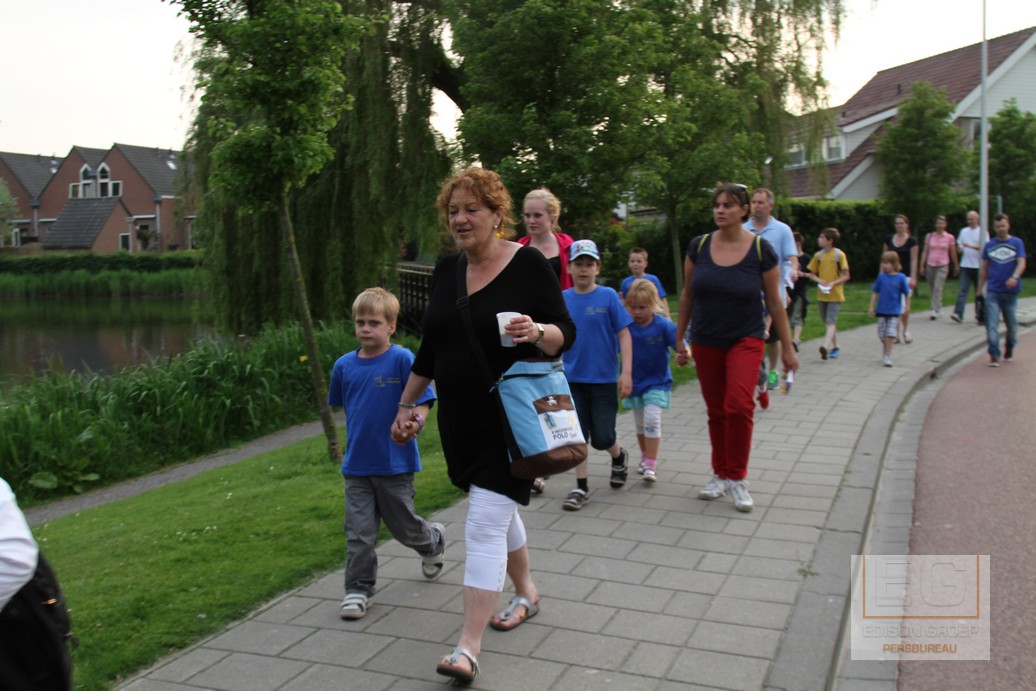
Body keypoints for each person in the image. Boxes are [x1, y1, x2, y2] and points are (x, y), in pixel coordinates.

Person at [393, 167, 576, 683]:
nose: (460, 219)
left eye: (472, 209)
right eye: (453, 210)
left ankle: (467, 647)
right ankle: (528, 592)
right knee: (497, 508)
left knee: (484, 522)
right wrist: (407, 405)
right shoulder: (447, 270)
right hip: (462, 421)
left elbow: (567, 331)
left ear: (498, 214)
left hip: (513, 421)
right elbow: (432, 348)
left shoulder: (528, 264)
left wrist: (537, 331)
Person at [674, 183, 798, 513]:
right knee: (716, 409)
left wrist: (788, 349)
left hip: (746, 337)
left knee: (739, 405)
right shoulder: (699, 246)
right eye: (717, 204)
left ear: (744, 210)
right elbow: (687, 295)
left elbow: (775, 302)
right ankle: (720, 474)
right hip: (706, 338)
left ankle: (737, 477)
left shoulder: (760, 250)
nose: (720, 210)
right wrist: (679, 338)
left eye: (728, 205)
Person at [328, 287, 442, 621]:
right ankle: (358, 590)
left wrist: (415, 422)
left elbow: (425, 399)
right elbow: (346, 406)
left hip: (395, 463)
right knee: (359, 534)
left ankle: (432, 541)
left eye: (374, 323)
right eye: (360, 322)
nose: (365, 328)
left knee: (404, 529)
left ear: (391, 326)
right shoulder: (343, 366)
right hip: (357, 466)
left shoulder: (402, 359)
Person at [560, 239, 633, 510]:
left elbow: (624, 334)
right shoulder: (562, 299)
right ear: (569, 268)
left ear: (597, 268)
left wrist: (626, 372)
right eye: (578, 263)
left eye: (589, 264)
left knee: (602, 438)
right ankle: (581, 486)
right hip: (572, 380)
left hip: (603, 380)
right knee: (577, 435)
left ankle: (618, 456)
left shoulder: (608, 296)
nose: (583, 269)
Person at [622, 278, 677, 482]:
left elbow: (679, 343)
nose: (637, 312)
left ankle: (651, 464)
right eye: (633, 307)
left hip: (657, 382)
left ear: (653, 305)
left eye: (642, 307)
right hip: (635, 382)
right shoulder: (626, 327)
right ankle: (645, 456)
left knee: (652, 419)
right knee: (639, 424)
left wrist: (684, 352)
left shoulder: (663, 325)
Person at [744, 188, 798, 390]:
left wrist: (794, 269)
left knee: (773, 339)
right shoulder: (743, 229)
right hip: (749, 294)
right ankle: (758, 373)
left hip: (774, 294)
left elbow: (791, 256)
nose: (756, 206)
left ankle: (773, 370)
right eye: (754, 202)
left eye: (760, 202)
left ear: (770, 206)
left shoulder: (782, 230)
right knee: (751, 337)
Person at [978, 213, 1026, 367]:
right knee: (991, 324)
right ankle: (994, 354)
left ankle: (1009, 347)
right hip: (993, 290)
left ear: (1008, 225)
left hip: (1010, 292)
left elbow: (1021, 263)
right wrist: (979, 290)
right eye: (998, 227)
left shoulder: (1017, 243)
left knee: (1012, 326)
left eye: (1003, 226)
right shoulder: (989, 246)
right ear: (994, 228)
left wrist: (1014, 277)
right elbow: (984, 269)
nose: (1001, 229)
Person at [518, 188, 574, 290]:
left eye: (537, 215)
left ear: (552, 216)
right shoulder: (518, 249)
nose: (531, 220)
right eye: (527, 215)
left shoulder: (568, 247)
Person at [807, 228, 850, 360]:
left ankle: (825, 346)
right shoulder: (818, 256)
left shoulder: (839, 255)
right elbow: (812, 274)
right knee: (828, 322)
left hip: (835, 295)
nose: (819, 239)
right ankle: (836, 346)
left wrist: (833, 283)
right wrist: (820, 281)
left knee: (830, 321)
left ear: (830, 240)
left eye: (822, 237)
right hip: (822, 295)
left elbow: (846, 275)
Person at [868, 251, 912, 367]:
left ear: (894, 264)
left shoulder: (901, 278)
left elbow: (906, 293)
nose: (884, 265)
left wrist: (907, 307)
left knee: (891, 334)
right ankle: (886, 348)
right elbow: (875, 292)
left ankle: (887, 355)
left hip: (894, 312)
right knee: (882, 335)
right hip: (881, 311)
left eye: (887, 263)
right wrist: (871, 307)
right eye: (883, 262)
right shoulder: (881, 277)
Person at [883, 215, 918, 343]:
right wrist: (881, 275)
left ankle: (906, 330)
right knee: (894, 305)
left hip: (905, 276)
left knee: (904, 306)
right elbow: (884, 259)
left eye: (902, 223)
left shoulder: (912, 241)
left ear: (906, 225)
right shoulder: (888, 239)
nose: (899, 225)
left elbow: (914, 260)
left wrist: (914, 277)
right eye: (897, 223)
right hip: (891, 276)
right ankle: (895, 333)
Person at [919, 215, 959, 320]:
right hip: (930, 264)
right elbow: (925, 251)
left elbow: (953, 252)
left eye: (942, 223)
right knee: (932, 288)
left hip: (943, 265)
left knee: (938, 287)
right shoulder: (930, 236)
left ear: (945, 224)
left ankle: (934, 310)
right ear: (935, 224)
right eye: (938, 223)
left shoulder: (949, 237)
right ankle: (938, 307)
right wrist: (922, 265)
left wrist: (956, 265)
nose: (940, 225)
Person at [953, 210, 983, 324]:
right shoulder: (964, 231)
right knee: (962, 290)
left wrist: (969, 246)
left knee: (979, 291)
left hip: (978, 266)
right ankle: (958, 313)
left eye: (972, 219)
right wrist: (960, 249)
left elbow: (984, 247)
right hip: (965, 265)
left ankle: (980, 314)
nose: (969, 221)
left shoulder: (982, 232)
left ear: (977, 219)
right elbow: (959, 246)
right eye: (968, 219)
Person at [788, 231, 812, 350]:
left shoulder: (806, 258)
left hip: (800, 292)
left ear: (797, 243)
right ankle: (787, 341)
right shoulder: (787, 258)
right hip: (788, 291)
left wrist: (802, 274)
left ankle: (796, 340)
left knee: (797, 316)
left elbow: (813, 274)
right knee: (786, 316)